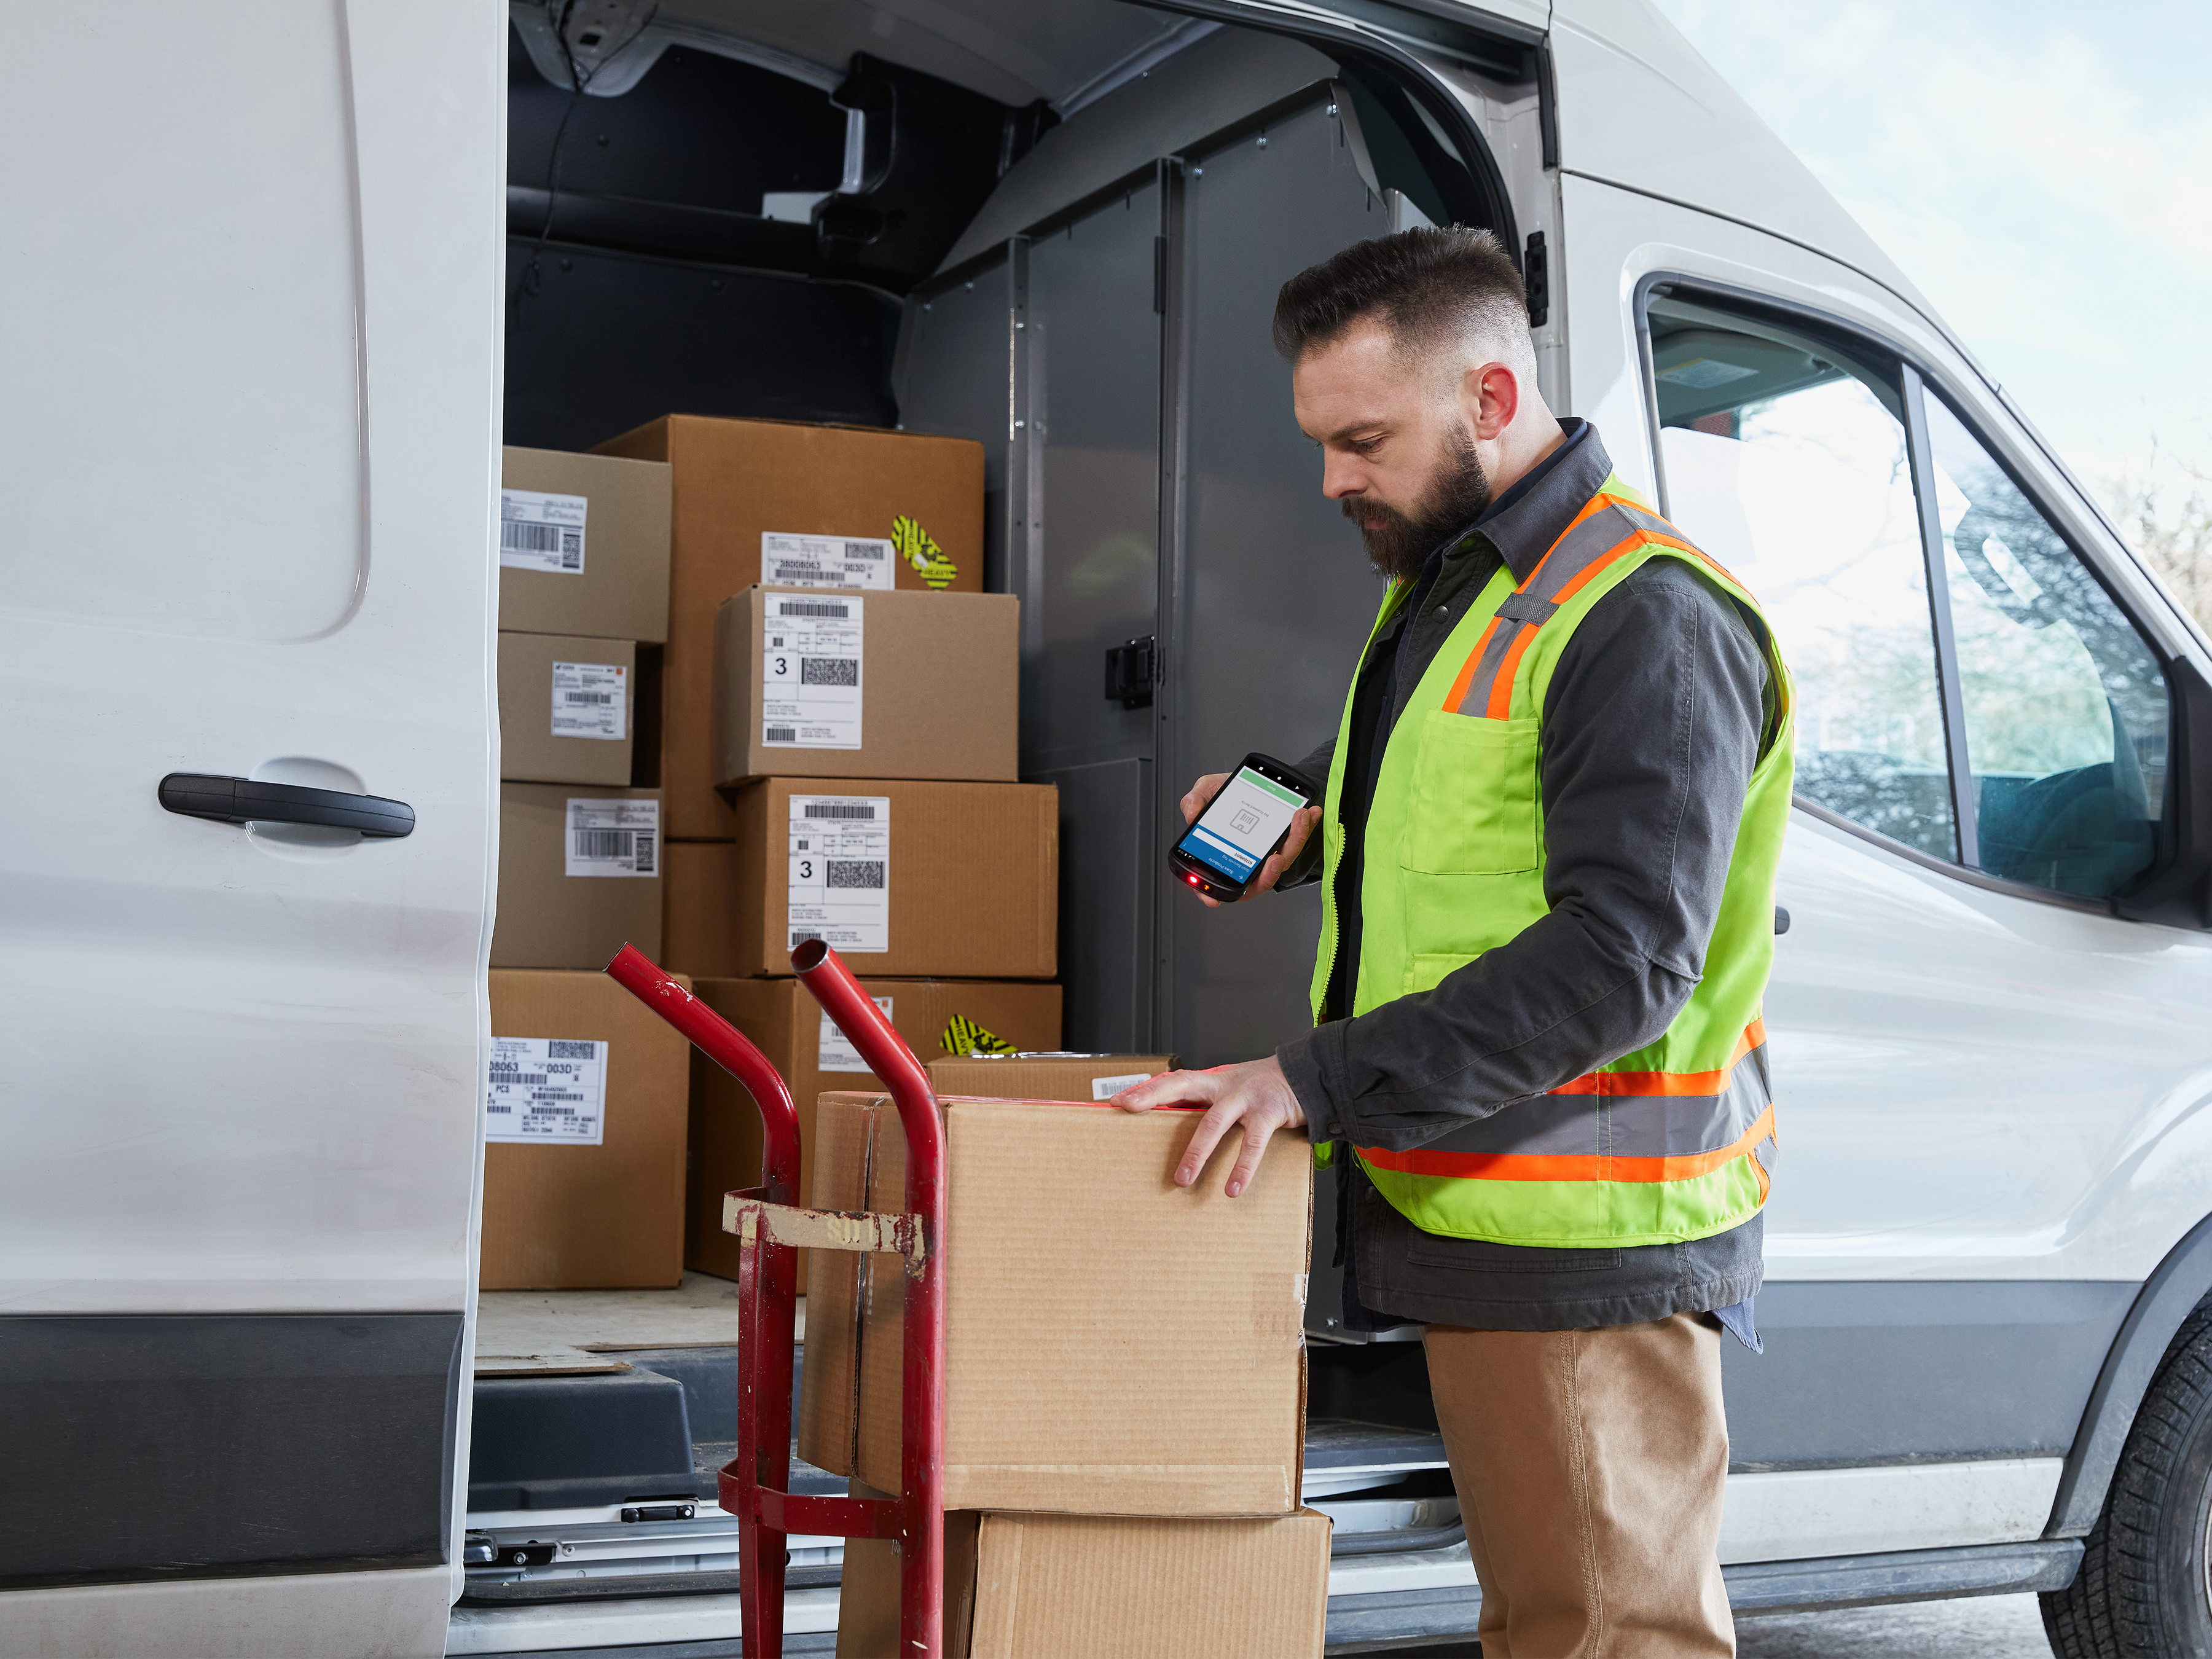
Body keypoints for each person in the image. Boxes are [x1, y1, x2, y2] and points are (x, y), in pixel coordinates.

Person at [1113, 226, 1794, 1657]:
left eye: (1362, 439)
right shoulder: (1469, 578)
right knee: (1556, 1620)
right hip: (1493, 1206)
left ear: (1491, 400)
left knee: (1606, 1633)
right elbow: (1463, 802)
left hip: (1584, 1230)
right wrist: (1308, 809)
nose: (1331, 480)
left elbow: (1625, 956)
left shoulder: (1647, 615)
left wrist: (1309, 1079)